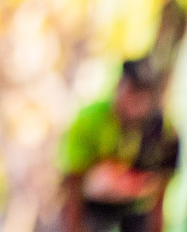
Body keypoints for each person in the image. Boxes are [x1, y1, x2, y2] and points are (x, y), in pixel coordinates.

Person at [59, 59, 179, 232]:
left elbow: (160, 196)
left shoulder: (164, 135)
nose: (135, 102)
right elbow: (72, 183)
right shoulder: (90, 120)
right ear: (119, 86)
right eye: (131, 90)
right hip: (91, 208)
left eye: (142, 95)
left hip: (135, 211)